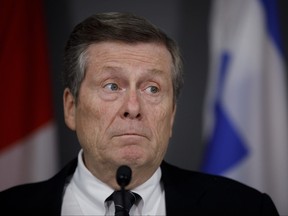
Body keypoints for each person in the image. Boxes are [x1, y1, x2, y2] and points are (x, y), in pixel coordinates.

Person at [0, 12, 279, 215]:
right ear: (71, 108)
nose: (133, 108)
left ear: (171, 116)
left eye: (152, 89)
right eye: (112, 86)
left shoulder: (246, 209)